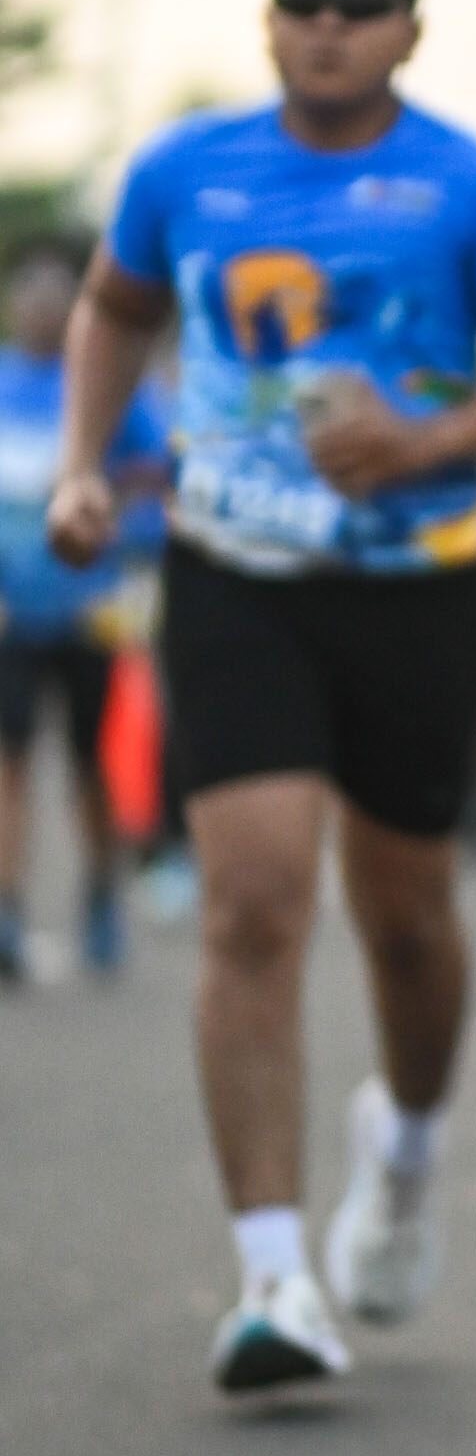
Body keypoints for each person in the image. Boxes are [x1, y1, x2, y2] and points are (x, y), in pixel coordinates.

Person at [46, 0, 476, 1392]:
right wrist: (86, 465)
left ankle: (404, 1148)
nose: (328, 26)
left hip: (417, 586)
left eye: (359, 3)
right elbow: (114, 308)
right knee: (251, 902)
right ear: (268, 15)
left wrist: (428, 442)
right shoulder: (185, 169)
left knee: (405, 918)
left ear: (410, 27)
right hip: (236, 573)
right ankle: (274, 1276)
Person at [0, 239, 158, 980]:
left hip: (93, 611)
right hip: (11, 616)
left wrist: (122, 525)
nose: (39, 311)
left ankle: (100, 894)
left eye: (52, 298)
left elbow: (160, 476)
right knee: (10, 760)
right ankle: (7, 908)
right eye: (27, 297)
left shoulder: (103, 385)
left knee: (91, 764)